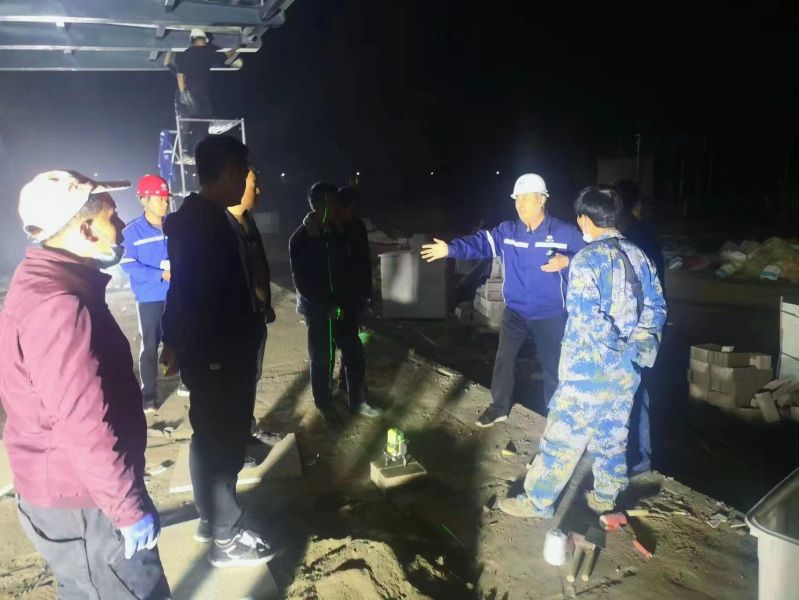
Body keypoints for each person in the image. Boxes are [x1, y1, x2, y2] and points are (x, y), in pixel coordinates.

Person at [0, 171, 170, 598]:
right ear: (87, 230)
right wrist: (126, 508)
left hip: (70, 494)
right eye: (112, 216)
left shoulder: (44, 281)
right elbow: (82, 424)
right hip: (86, 504)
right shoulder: (59, 304)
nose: (121, 225)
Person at [497, 185, 667, 519]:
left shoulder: (587, 260)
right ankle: (606, 495)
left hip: (588, 370)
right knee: (612, 435)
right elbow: (657, 307)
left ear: (585, 220)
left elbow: (586, 318)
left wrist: (609, 356)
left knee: (562, 437)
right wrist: (638, 350)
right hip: (628, 369)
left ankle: (537, 501)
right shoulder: (638, 255)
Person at [159, 135, 275, 567]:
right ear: (228, 174)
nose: (246, 184)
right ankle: (226, 536)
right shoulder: (200, 224)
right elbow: (188, 293)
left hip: (219, 352)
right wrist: (182, 341)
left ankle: (212, 518)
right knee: (221, 443)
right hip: (217, 355)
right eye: (243, 175)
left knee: (212, 438)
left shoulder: (209, 218)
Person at [421, 173, 585, 427]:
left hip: (550, 313)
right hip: (516, 311)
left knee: (554, 368)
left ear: (542, 200)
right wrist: (450, 249)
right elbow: (480, 243)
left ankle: (557, 421)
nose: (520, 205)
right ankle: (499, 407)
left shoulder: (564, 233)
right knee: (504, 359)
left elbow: (590, 255)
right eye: (517, 199)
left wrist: (568, 260)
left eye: (526, 199)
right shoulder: (508, 232)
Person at [289, 183, 382, 419]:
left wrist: (355, 300)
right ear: (321, 205)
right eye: (333, 202)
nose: (338, 207)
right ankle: (324, 405)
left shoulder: (338, 233)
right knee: (322, 358)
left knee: (353, 353)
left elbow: (349, 269)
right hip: (319, 310)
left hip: (344, 306)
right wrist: (326, 305)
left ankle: (357, 401)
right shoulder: (300, 239)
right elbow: (304, 282)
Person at [121, 174, 186, 413]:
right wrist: (160, 274)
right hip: (149, 297)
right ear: (143, 200)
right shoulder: (132, 232)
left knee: (184, 339)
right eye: (159, 199)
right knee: (149, 346)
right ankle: (148, 395)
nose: (164, 203)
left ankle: (187, 382)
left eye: (166, 198)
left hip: (176, 295)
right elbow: (127, 264)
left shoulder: (175, 227)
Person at [615, 179, 665, 476]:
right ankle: (635, 456)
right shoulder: (636, 235)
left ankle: (638, 459)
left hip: (637, 328)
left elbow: (645, 292)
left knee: (636, 392)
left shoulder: (636, 240)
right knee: (635, 393)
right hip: (637, 326)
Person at [225, 168, 277, 440]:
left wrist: (265, 303)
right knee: (233, 382)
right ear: (234, 184)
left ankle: (246, 430)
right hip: (234, 324)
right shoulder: (219, 226)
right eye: (253, 185)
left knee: (250, 377)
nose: (259, 191)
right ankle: (234, 442)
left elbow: (258, 267)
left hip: (256, 316)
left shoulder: (247, 221)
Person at [167, 29, 243, 161]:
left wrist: (183, 93)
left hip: (183, 95)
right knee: (202, 124)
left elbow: (179, 74)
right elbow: (226, 55)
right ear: (202, 40)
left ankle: (185, 153)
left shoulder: (182, 56)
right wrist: (238, 47)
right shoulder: (205, 52)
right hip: (199, 96)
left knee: (186, 125)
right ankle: (197, 152)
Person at [334, 186, 373, 394]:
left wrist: (367, 295)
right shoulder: (331, 230)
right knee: (342, 344)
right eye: (352, 208)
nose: (355, 212)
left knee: (353, 343)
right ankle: (345, 387)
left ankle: (347, 382)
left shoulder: (358, 227)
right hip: (337, 298)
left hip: (355, 296)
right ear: (341, 207)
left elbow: (364, 262)